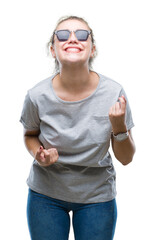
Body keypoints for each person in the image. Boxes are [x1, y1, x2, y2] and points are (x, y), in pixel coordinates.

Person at [20, 15, 136, 240]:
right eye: (63, 35)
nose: (72, 39)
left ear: (92, 49)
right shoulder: (36, 96)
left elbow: (126, 158)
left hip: (97, 197)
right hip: (46, 195)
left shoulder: (114, 93)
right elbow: (30, 135)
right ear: (53, 50)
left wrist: (120, 128)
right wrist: (38, 153)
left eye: (82, 35)